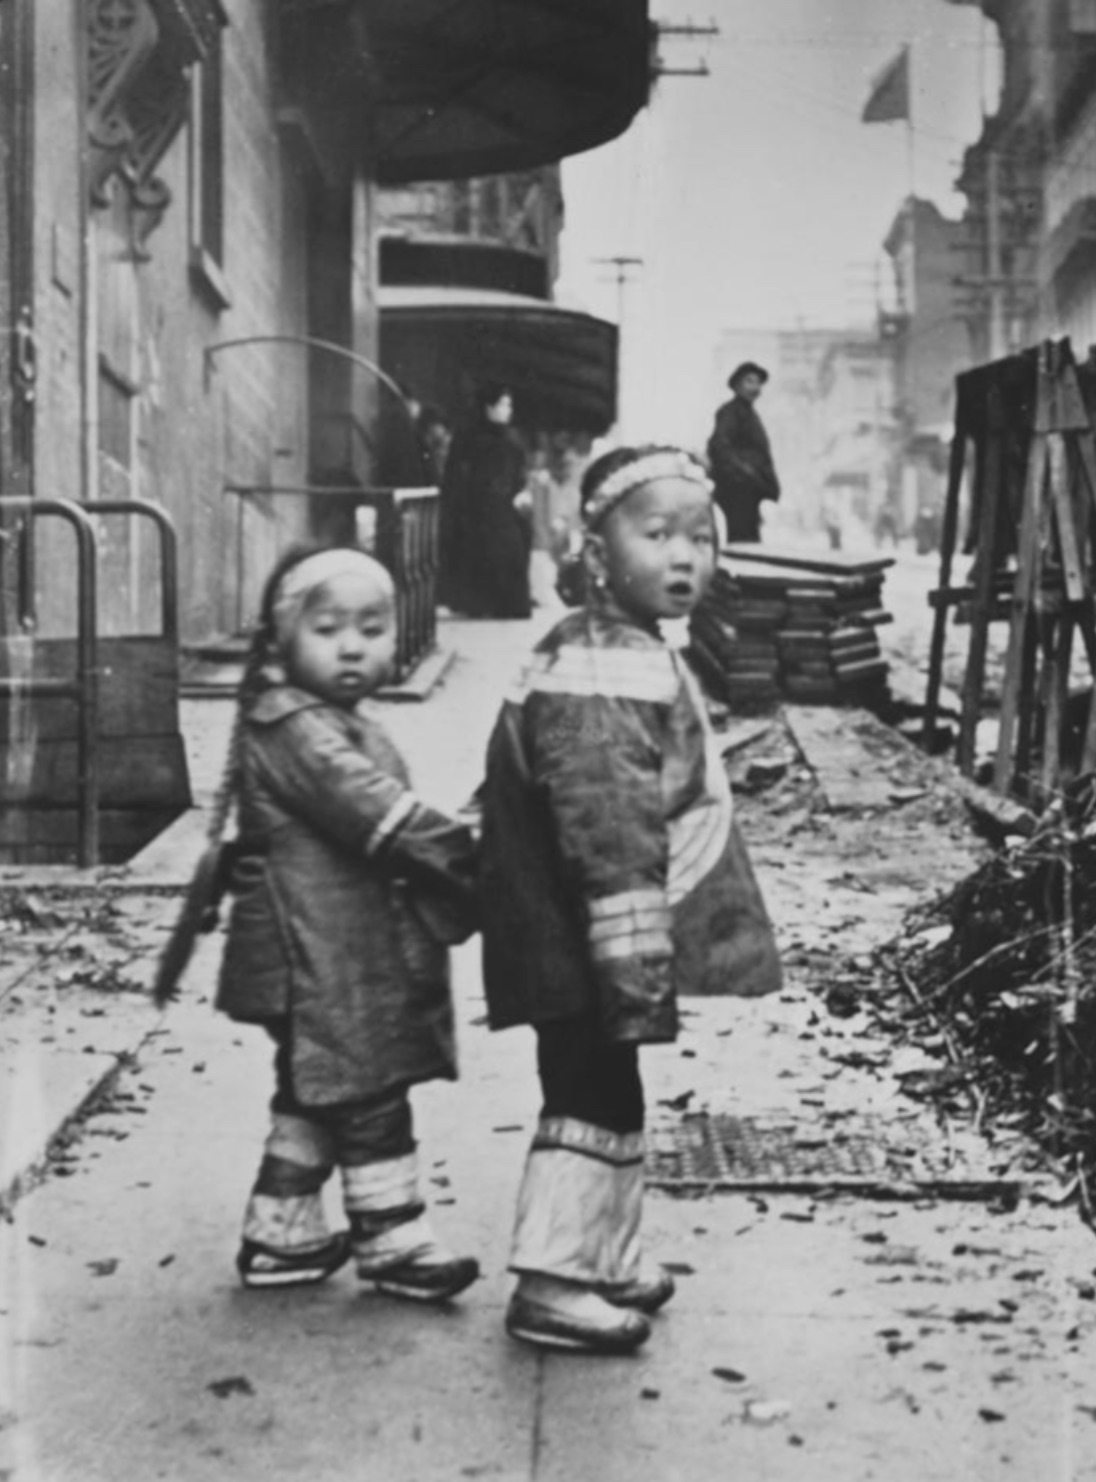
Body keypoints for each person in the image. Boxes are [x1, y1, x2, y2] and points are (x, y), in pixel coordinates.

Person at [478, 445, 783, 1354]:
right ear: (598, 550)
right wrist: (634, 966)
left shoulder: (616, 647)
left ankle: (604, 1256)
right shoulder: (604, 672)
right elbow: (606, 834)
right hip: (584, 935)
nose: (683, 557)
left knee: (608, 1089)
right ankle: (553, 1282)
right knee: (587, 1098)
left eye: (700, 536)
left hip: (577, 932)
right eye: (655, 534)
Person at [214, 543, 481, 1302]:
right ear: (281, 638)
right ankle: (393, 1239)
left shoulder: (318, 716)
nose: (354, 644)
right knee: (367, 1086)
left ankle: (282, 1231)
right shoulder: (296, 728)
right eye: (329, 628)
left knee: (317, 1088)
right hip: (313, 952)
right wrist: (469, 858)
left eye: (372, 626)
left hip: (327, 947)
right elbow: (375, 811)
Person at [439, 383, 531, 618]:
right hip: (477, 516)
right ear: (488, 408)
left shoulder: (509, 440)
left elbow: (517, 475)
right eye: (503, 404)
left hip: (500, 514)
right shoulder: (471, 439)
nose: (508, 410)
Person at [707, 360, 781, 543]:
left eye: (758, 383)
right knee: (742, 542)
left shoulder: (751, 416)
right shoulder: (729, 412)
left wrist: (767, 483)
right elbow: (719, 447)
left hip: (750, 492)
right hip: (736, 492)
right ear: (737, 385)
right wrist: (745, 472)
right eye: (749, 381)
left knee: (750, 539)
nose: (755, 387)